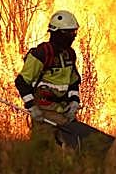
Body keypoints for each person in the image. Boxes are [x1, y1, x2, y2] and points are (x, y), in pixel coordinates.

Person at [14, 9, 82, 147]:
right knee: (43, 152)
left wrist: (74, 102)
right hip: (44, 112)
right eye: (69, 33)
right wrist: (32, 107)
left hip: (64, 111)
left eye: (74, 32)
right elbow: (21, 82)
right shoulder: (42, 53)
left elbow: (73, 82)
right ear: (58, 33)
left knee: (73, 150)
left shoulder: (69, 54)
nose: (73, 36)